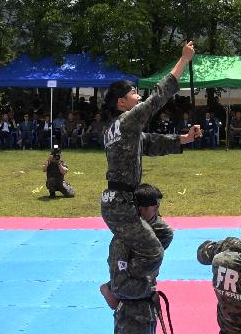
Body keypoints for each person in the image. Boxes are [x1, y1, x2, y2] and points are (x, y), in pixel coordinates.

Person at [98, 41, 203, 315]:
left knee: (163, 233)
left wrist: (184, 139)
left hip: (120, 202)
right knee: (154, 252)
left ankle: (126, 270)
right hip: (121, 204)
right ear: (122, 103)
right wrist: (183, 60)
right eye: (133, 93)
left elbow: (152, 143)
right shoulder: (127, 121)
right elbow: (159, 96)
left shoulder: (118, 128)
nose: (138, 96)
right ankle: (118, 286)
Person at [105, 183, 173, 334]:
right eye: (154, 207)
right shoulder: (122, 238)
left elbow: (147, 267)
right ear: (140, 209)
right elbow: (120, 285)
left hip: (143, 299)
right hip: (131, 305)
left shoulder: (159, 230)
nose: (157, 211)